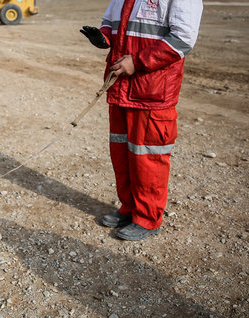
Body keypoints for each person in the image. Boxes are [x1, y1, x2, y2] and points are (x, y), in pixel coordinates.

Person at [81, 0, 203, 241]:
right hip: (122, 87)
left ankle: (147, 218)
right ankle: (129, 208)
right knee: (123, 154)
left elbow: (183, 38)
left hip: (152, 91)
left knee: (147, 158)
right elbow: (110, 22)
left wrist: (137, 62)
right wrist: (103, 36)